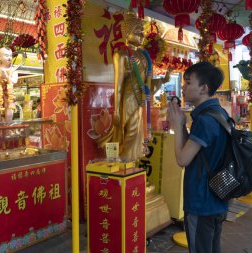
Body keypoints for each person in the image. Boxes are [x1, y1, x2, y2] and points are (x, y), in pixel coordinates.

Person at [167, 62, 229, 253]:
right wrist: (183, 125)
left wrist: (177, 127)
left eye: (188, 82)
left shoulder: (204, 120)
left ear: (204, 88)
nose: (183, 88)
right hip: (218, 197)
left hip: (201, 202)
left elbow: (183, 159)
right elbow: (195, 152)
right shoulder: (219, 113)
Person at [98, 10, 171, 161]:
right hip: (128, 98)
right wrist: (117, 111)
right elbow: (118, 86)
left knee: (138, 134)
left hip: (141, 100)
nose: (142, 35)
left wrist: (163, 80)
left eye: (142, 32)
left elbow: (147, 84)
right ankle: (125, 162)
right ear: (127, 33)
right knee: (129, 132)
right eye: (137, 32)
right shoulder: (121, 55)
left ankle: (133, 164)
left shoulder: (144, 56)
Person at [0, 47, 19, 122]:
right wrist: (0, 77)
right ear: (0, 58)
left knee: (9, 114)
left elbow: (14, 81)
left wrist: (7, 77)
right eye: (6, 55)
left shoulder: (13, 69)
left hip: (9, 95)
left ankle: (7, 130)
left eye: (10, 56)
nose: (9, 58)